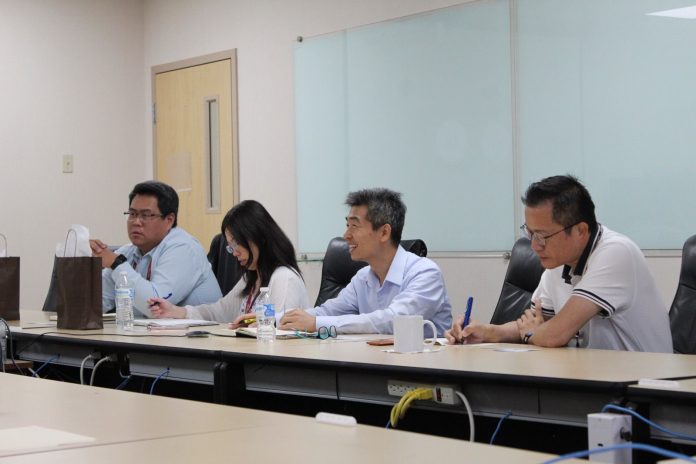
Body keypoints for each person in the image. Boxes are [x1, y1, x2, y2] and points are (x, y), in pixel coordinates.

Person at [446, 175, 672, 353]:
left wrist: (533, 333)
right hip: (592, 376)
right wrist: (486, 332)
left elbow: (554, 334)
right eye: (530, 233)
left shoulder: (616, 253)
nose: (535, 245)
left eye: (542, 236)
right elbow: (534, 323)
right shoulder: (558, 262)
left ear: (581, 230)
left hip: (645, 386)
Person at [275, 188, 452, 336]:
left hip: (421, 365)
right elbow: (325, 312)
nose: (346, 235)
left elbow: (393, 321)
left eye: (354, 226)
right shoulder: (363, 277)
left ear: (384, 233)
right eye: (347, 225)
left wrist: (317, 324)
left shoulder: (425, 273)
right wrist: (271, 320)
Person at [148, 200, 309, 322]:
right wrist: (175, 311)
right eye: (230, 246)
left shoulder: (284, 278)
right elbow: (219, 312)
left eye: (236, 243)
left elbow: (279, 329)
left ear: (258, 237)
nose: (234, 252)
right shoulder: (251, 278)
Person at [90, 180, 221, 318]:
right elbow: (94, 302)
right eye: (132, 214)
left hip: (203, 331)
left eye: (146, 215)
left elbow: (154, 306)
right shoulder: (128, 252)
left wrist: (117, 264)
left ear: (169, 220)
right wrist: (81, 260)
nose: (136, 222)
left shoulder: (184, 248)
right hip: (152, 331)